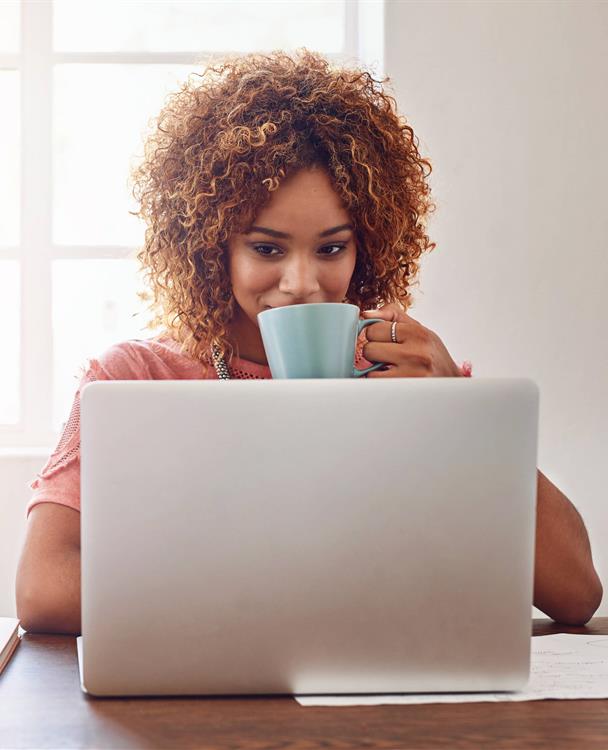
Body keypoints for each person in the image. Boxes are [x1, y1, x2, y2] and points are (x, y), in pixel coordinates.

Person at [15, 49, 602, 635]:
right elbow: (43, 588)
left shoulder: (405, 378)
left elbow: (575, 593)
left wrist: (461, 412)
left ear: (365, 246)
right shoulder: (134, 378)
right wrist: (282, 608)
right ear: (212, 248)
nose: (302, 284)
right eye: (267, 248)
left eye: (331, 248)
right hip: (194, 704)